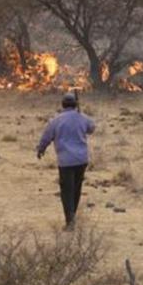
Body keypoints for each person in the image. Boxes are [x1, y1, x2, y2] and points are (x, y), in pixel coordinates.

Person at [36, 92, 96, 229]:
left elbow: (47, 137)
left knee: (66, 190)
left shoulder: (56, 120)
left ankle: (70, 220)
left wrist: (41, 149)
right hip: (81, 160)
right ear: (75, 104)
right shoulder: (82, 118)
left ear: (63, 105)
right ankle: (72, 215)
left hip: (65, 161)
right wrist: (81, 115)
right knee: (76, 188)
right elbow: (92, 128)